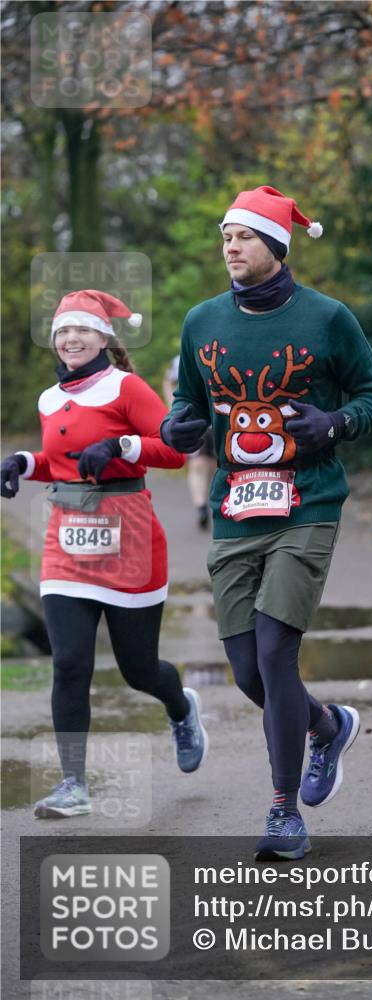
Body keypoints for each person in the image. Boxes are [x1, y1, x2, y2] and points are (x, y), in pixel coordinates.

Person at [161, 185, 372, 861]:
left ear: (275, 245)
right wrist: (180, 429)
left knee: (273, 651)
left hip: (308, 505)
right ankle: (326, 725)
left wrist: (337, 422)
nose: (229, 247)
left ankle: (283, 811)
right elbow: (186, 408)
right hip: (235, 511)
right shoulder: (202, 321)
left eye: (242, 236)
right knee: (244, 671)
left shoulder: (327, 319)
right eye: (225, 237)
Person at [0, 290, 208, 819]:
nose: (71, 339)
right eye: (63, 331)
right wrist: (24, 462)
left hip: (129, 538)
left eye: (83, 330)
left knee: (138, 670)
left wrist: (122, 447)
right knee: (69, 664)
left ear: (103, 338)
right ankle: (73, 785)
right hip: (67, 541)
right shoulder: (50, 398)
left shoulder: (127, 387)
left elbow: (174, 449)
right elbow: (62, 462)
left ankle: (181, 708)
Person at [163, 356, 217, 530]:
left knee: (213, 465)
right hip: (196, 421)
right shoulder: (181, 359)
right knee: (197, 464)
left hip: (220, 421)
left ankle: (208, 501)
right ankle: (201, 506)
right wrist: (175, 409)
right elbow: (169, 381)